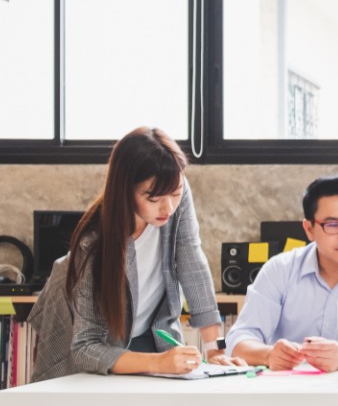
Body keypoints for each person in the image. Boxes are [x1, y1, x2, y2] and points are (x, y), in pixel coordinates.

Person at [30, 126, 238, 382]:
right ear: (125, 191)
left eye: (175, 193)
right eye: (153, 199)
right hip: (97, 346)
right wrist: (159, 362)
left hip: (148, 333)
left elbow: (192, 261)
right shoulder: (93, 246)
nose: (168, 207)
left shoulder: (173, 189)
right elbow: (85, 347)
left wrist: (216, 349)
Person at [225, 174, 338, 372]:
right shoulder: (279, 270)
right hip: (291, 393)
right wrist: (269, 355)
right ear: (309, 229)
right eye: (333, 225)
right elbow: (239, 341)